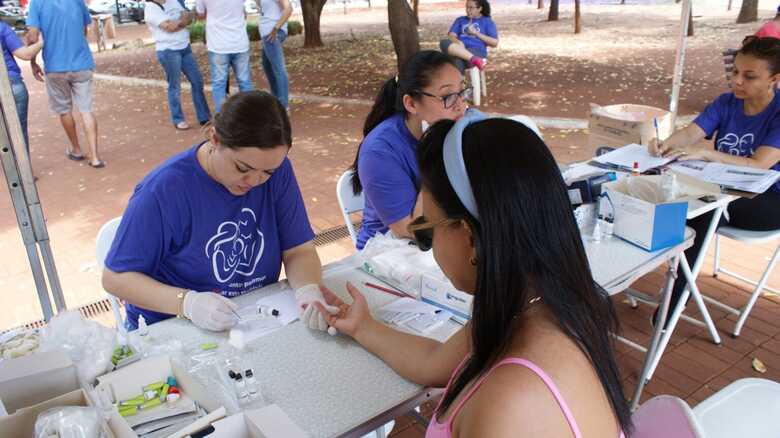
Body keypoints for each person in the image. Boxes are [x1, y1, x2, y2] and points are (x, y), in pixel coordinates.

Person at [318, 111, 632, 437]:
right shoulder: (543, 306)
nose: (430, 248)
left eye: (428, 234)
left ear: (468, 236)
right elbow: (434, 361)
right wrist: (362, 327)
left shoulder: (507, 406)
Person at [102, 91, 337, 333]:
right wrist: (188, 303)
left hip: (251, 316)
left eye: (268, 172)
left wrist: (308, 290)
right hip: (169, 327)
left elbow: (298, 250)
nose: (255, 181)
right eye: (242, 167)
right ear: (214, 138)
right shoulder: (164, 191)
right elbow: (115, 278)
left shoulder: (275, 170)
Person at [649, 36, 780, 327]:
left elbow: (760, 164)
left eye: (749, 76)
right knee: (655, 186)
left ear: (775, 79)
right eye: (735, 72)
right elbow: (690, 135)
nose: (737, 81)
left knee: (704, 210)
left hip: (769, 199)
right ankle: (658, 274)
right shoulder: (727, 103)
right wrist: (665, 145)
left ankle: (675, 296)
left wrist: (709, 155)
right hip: (723, 188)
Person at [348, 50, 469, 250]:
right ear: (411, 103)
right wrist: (434, 156)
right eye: (447, 96)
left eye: (462, 92)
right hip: (390, 256)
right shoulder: (379, 151)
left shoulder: (456, 127)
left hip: (444, 242)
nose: (461, 106)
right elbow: (413, 230)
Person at [26, 0, 105, 168]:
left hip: (56, 66)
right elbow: (85, 29)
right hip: (82, 63)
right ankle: (95, 157)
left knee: (64, 110)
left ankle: (76, 149)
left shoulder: (37, 3)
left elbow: (32, 36)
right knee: (86, 110)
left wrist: (33, 61)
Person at [144, 0, 211, 130]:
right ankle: (178, 119)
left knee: (197, 81)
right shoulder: (151, 7)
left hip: (185, 47)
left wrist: (182, 21)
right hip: (168, 50)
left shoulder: (174, 1)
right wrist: (183, 20)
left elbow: (189, 18)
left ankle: (204, 117)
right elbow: (169, 27)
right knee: (175, 85)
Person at [195, 0, 254, 113]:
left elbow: (200, 13)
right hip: (239, 42)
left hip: (218, 44)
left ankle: (221, 119)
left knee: (219, 84)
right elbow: (244, 12)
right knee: (245, 82)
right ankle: (250, 117)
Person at [0, 21, 43, 153]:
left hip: (10, 84)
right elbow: (25, 54)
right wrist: (43, 41)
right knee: (18, 132)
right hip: (11, 83)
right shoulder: (2, 28)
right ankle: (24, 171)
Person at [439, 0, 498, 72]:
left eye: (471, 8)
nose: (468, 10)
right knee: (443, 42)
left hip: (477, 50)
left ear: (480, 9)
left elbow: (495, 43)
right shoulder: (460, 20)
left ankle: (460, 81)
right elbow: (451, 35)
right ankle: (474, 59)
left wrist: (476, 33)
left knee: (457, 60)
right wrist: (458, 42)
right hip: (458, 48)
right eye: (467, 7)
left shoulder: (487, 21)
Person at [257, 0, 292, 111]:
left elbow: (288, 9)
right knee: (267, 66)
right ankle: (277, 100)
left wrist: (275, 28)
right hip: (268, 33)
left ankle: (283, 106)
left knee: (279, 69)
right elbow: (263, 9)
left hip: (271, 33)